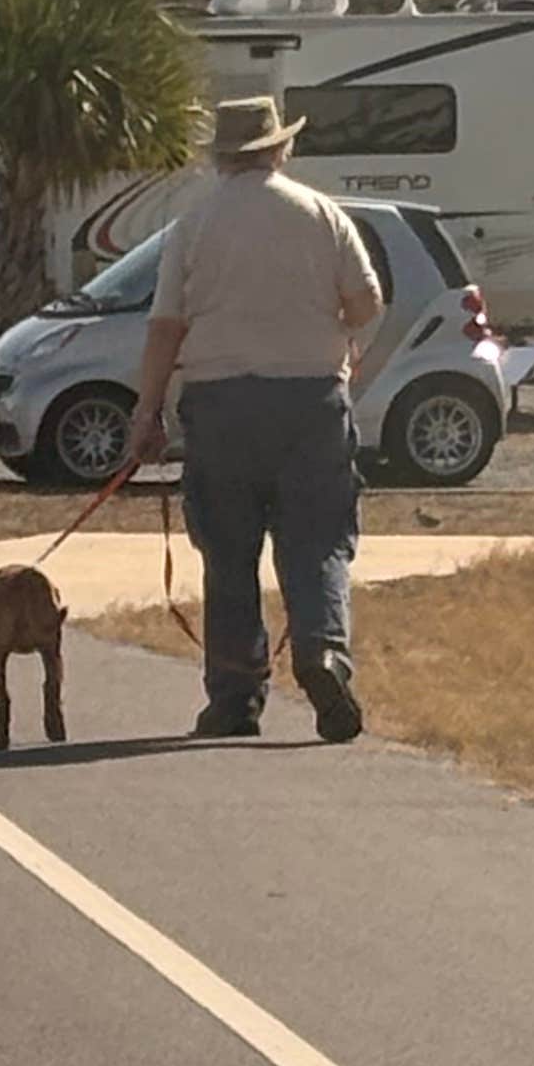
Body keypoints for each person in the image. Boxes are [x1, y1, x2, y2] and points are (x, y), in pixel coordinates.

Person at [127, 94, 384, 744]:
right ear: (281, 148)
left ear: (221, 158)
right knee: (318, 540)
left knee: (228, 552)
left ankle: (236, 698)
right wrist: (348, 352)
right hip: (310, 403)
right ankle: (324, 654)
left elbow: (166, 327)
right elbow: (366, 300)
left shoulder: (195, 224)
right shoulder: (321, 214)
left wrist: (147, 411)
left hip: (220, 405)